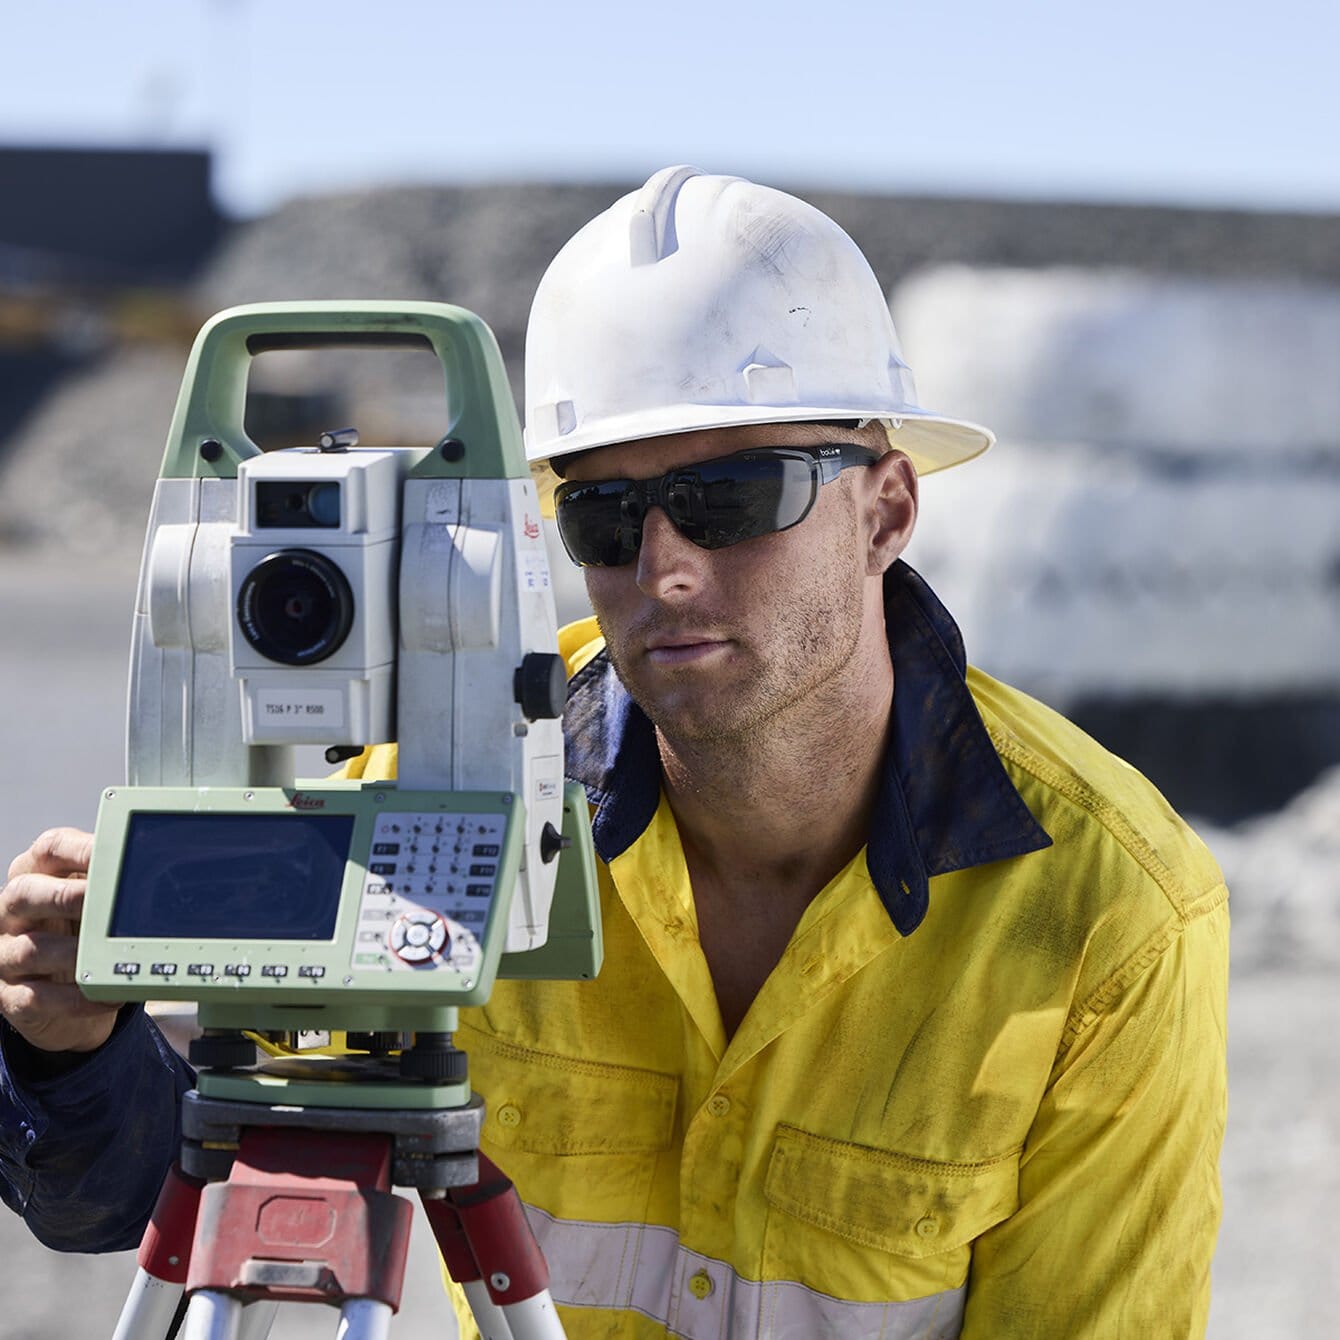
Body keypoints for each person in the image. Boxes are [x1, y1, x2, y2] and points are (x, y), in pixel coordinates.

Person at [0, 167, 1228, 1338]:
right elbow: (138, 1183)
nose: (666, 567)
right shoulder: (446, 813)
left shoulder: (1106, 909)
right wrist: (71, 1045)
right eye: (602, 512)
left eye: (733, 497)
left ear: (886, 509)